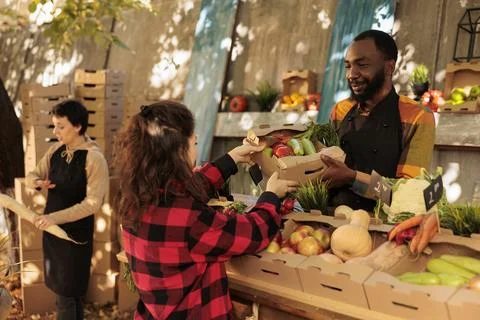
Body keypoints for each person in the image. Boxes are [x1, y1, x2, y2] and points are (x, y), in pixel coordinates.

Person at [114, 100, 298, 320]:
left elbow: (190, 189)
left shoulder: (136, 199)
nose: (197, 147)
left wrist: (230, 160)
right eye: (195, 142)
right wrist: (270, 196)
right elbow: (252, 233)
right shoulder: (191, 221)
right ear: (179, 151)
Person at [320, 30, 436, 252]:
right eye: (347, 66)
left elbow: (403, 194)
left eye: (362, 65)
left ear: (389, 67)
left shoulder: (417, 116)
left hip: (383, 234)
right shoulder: (340, 111)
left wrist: (353, 178)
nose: (351, 74)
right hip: (330, 225)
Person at [26, 100, 109, 319]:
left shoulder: (94, 158)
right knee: (67, 295)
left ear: (78, 126)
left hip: (76, 237)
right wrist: (37, 183)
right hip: (53, 234)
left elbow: (92, 204)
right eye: (54, 125)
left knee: (67, 295)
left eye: (60, 126)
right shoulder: (55, 151)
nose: (55, 131)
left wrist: (53, 218)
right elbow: (31, 176)